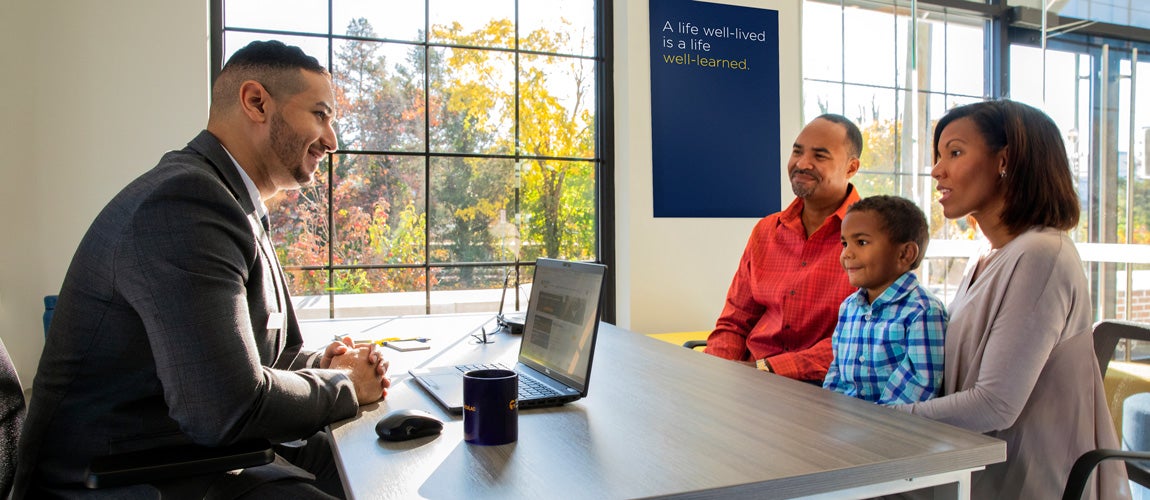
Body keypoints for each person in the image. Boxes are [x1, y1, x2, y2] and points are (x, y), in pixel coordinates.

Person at [14, 40, 390, 499]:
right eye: (321, 114)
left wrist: (322, 363)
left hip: (193, 453)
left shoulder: (234, 202)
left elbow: (259, 357)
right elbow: (225, 409)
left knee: (380, 468)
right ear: (256, 102)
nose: (332, 140)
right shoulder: (183, 205)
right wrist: (346, 382)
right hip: (125, 480)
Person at [893, 99, 1129, 499]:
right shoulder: (987, 254)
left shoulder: (1041, 254)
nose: (936, 170)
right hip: (981, 464)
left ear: (1005, 160)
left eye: (955, 152)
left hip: (1024, 480)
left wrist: (882, 421)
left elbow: (994, 404)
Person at [705, 114, 862, 382]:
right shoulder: (766, 231)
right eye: (797, 151)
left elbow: (860, 342)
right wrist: (712, 373)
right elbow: (734, 323)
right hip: (751, 383)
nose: (802, 164)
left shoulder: (873, 239)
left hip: (827, 390)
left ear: (850, 168)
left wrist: (768, 369)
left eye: (820, 156)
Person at [822, 195, 947, 404]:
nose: (847, 254)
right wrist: (827, 409)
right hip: (845, 423)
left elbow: (919, 387)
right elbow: (837, 373)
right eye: (844, 243)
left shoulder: (923, 312)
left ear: (905, 254)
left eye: (861, 242)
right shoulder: (848, 308)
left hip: (892, 428)